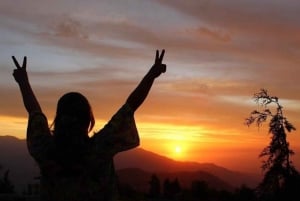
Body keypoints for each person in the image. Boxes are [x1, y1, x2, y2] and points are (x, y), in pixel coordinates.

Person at [12, 49, 167, 201]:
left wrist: (23, 81)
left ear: (58, 120)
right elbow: (130, 106)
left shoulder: (44, 149)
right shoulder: (101, 147)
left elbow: (34, 112)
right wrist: (152, 74)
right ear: (88, 120)